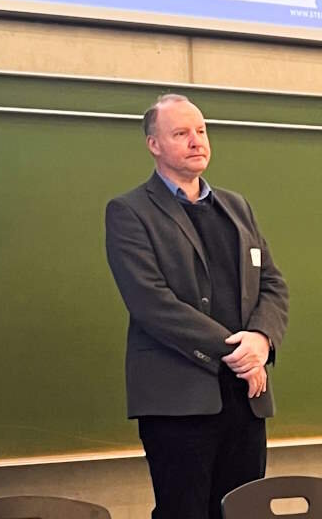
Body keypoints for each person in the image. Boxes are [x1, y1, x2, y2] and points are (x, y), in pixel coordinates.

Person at [105, 93, 289, 519]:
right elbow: (151, 302)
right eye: (181, 133)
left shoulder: (236, 206)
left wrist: (262, 340)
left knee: (243, 511)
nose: (196, 141)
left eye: (201, 131)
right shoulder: (129, 211)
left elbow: (272, 283)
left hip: (245, 397)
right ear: (154, 144)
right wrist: (239, 352)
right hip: (178, 402)